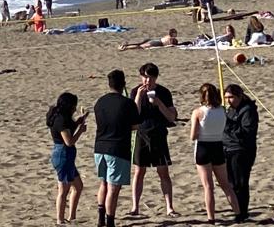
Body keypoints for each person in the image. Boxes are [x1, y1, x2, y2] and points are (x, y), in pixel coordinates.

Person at [128, 63, 177, 217]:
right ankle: (135, 207)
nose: (147, 80)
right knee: (139, 171)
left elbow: (171, 116)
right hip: (141, 134)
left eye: (150, 77)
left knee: (163, 171)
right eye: (144, 77)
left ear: (155, 77)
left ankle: (169, 207)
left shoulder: (163, 92)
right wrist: (137, 98)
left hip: (158, 134)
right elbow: (133, 116)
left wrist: (158, 103)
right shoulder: (136, 91)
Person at [93, 69, 140, 227]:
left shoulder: (100, 102)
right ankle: (110, 220)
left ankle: (101, 217)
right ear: (123, 84)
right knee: (113, 188)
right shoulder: (127, 103)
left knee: (104, 183)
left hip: (100, 147)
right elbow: (135, 126)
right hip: (118, 148)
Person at [189, 83, 241, 222]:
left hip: (203, 148)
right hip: (218, 146)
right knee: (225, 185)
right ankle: (238, 213)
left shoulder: (198, 112)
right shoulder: (222, 110)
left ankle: (211, 217)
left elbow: (193, 136)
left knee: (208, 186)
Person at [48, 92, 87, 226]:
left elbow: (70, 130)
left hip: (67, 157)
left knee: (78, 186)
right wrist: (80, 131)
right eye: (73, 106)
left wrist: (78, 122)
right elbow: (69, 141)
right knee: (63, 191)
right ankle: (60, 219)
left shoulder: (63, 117)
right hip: (62, 155)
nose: (75, 109)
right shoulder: (61, 120)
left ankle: (72, 217)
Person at [223, 84, 258, 219]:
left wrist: (228, 124)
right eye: (226, 97)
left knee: (240, 183)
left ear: (239, 96)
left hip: (242, 150)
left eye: (231, 97)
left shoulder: (248, 110)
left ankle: (242, 212)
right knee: (231, 183)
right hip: (227, 149)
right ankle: (237, 210)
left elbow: (247, 132)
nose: (228, 100)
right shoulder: (230, 110)